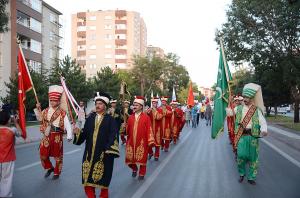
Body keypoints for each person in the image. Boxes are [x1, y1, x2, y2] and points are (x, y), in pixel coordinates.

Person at [73, 92, 120, 198]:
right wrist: (77, 133)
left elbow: (113, 136)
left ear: (105, 106)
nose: (97, 105)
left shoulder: (110, 120)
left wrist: (107, 149)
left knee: (104, 178)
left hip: (104, 153)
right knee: (87, 179)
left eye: (100, 104)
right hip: (89, 153)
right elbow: (84, 134)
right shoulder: (90, 118)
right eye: (96, 103)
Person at [35, 85, 73, 180]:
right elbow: (40, 120)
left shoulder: (62, 112)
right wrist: (38, 109)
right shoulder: (45, 111)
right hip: (47, 136)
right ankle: (49, 167)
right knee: (43, 154)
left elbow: (67, 124)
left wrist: (69, 135)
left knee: (57, 156)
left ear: (59, 101)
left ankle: (57, 172)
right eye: (51, 100)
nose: (52, 102)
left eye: (54, 100)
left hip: (57, 136)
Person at [234, 83, 268, 185]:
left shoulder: (256, 110)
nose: (245, 99)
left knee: (253, 158)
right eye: (244, 97)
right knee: (241, 156)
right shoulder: (238, 109)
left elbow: (262, 121)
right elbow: (230, 113)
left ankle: (251, 177)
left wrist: (264, 130)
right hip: (241, 136)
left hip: (253, 136)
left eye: (247, 97)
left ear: (251, 98)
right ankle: (241, 173)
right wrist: (226, 108)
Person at [125, 96, 154, 180]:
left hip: (142, 141)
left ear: (141, 106)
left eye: (136, 105)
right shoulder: (130, 117)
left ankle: (142, 173)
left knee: (142, 158)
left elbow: (149, 129)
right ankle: (134, 168)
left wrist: (150, 140)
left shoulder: (146, 117)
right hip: (131, 141)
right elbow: (127, 130)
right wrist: (124, 128)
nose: (134, 106)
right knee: (130, 159)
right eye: (134, 105)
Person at [0, 110, 22, 197]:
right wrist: (16, 122)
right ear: (9, 120)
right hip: (8, 160)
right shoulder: (12, 130)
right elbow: (20, 133)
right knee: (6, 180)